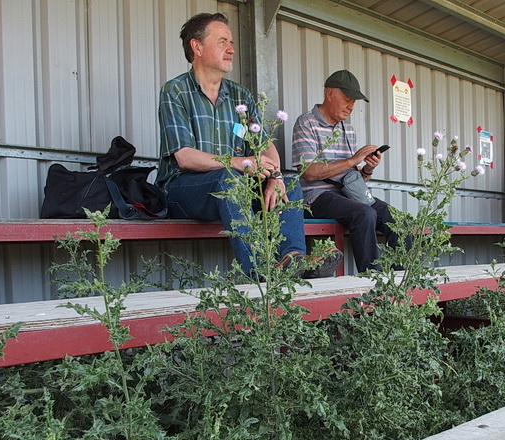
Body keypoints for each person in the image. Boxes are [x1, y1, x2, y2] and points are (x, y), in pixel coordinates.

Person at [155, 12, 341, 279]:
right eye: (222, 42)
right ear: (197, 47)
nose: (231, 49)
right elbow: (184, 157)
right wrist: (242, 163)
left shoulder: (240, 96)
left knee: (288, 182)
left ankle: (294, 258)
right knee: (229, 180)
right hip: (183, 189)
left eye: (231, 42)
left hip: (234, 185)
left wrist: (274, 175)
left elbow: (266, 147)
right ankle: (258, 272)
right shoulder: (175, 91)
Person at [291, 70, 410, 273]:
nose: (351, 107)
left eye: (354, 102)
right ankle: (374, 282)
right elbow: (309, 173)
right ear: (330, 94)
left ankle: (400, 285)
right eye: (347, 100)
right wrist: (352, 160)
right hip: (316, 197)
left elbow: (351, 177)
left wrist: (367, 169)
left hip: (348, 195)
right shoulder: (306, 123)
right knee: (365, 214)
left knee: (402, 223)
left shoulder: (348, 129)